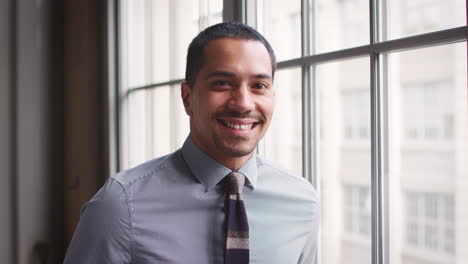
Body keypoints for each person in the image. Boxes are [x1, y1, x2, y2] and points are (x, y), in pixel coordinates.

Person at [64, 22, 320, 264]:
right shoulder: (118, 207)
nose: (243, 103)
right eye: (222, 83)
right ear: (187, 98)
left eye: (259, 85)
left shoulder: (302, 202)